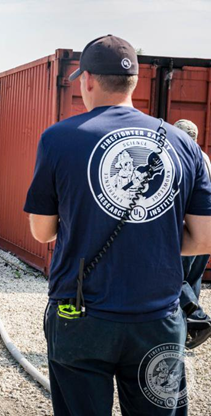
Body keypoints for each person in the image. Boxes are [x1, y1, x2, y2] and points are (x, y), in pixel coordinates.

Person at [24, 35, 211, 415]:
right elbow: (203, 238)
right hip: (156, 318)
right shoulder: (183, 144)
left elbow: (41, 232)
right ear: (135, 83)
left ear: (88, 80)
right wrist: (150, 241)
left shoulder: (59, 139)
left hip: (80, 316)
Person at [174, 119, 211, 349]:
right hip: (206, 233)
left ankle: (196, 317)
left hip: (188, 230)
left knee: (174, 277)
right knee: (193, 279)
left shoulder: (181, 157)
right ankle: (191, 330)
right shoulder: (205, 158)